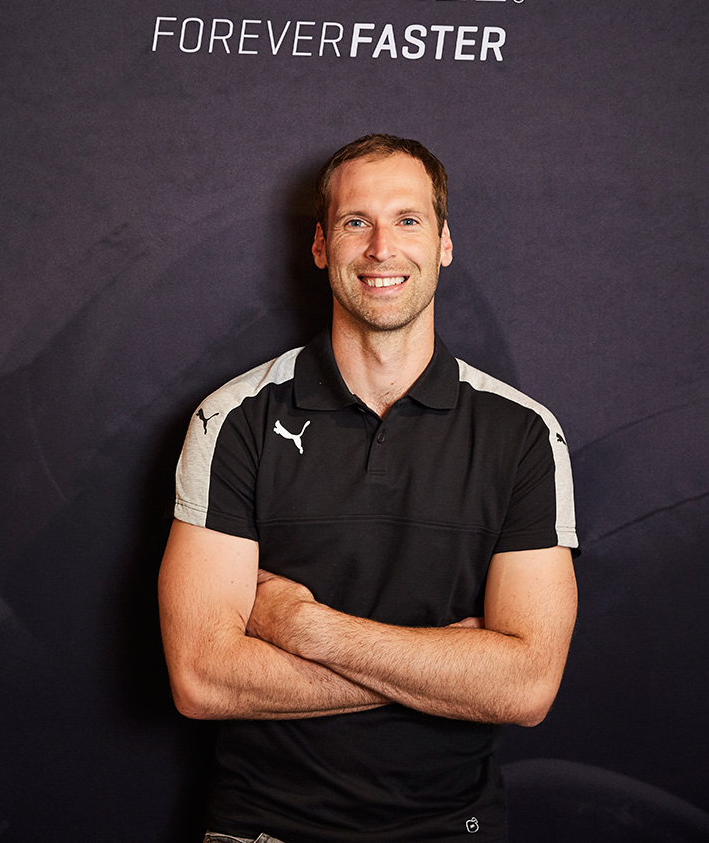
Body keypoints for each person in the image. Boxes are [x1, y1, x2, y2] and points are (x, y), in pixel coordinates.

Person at [159, 134, 578, 843]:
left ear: (444, 243)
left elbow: (527, 688)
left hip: (455, 829)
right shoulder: (232, 419)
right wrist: (444, 670)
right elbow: (202, 680)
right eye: (357, 222)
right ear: (322, 246)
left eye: (408, 220)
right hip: (265, 828)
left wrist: (307, 629)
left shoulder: (524, 433)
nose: (383, 248)